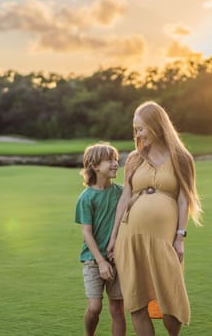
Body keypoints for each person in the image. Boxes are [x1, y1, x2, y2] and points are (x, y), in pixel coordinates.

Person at [107, 101, 202, 336]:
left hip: (164, 240)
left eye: (141, 128)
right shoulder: (134, 159)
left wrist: (180, 237)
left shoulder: (181, 158)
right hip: (130, 238)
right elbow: (124, 198)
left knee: (171, 303)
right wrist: (113, 237)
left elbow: (183, 199)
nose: (137, 134)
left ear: (156, 125)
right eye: (135, 129)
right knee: (137, 305)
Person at [75, 143, 126, 336]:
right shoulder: (86, 198)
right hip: (93, 260)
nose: (115, 164)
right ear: (95, 166)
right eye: (110, 160)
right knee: (95, 307)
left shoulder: (121, 192)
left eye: (116, 159)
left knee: (117, 308)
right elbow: (86, 233)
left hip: (117, 258)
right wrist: (101, 261)